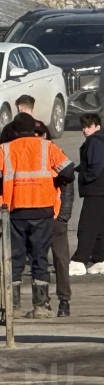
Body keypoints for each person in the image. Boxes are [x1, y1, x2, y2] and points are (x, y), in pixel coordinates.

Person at [0, 113, 75, 318]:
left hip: (15, 210)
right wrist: (54, 182)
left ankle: (12, 306)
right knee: (39, 258)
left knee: (15, 258)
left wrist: (3, 183)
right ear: (34, 128)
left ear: (15, 129)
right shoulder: (46, 147)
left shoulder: (6, 149)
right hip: (42, 210)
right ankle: (40, 306)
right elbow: (68, 171)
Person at [34, 124, 73, 317]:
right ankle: (43, 302)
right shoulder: (29, 157)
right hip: (37, 218)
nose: (37, 138)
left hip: (55, 218)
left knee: (60, 261)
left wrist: (64, 215)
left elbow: (67, 186)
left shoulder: (56, 154)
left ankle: (64, 301)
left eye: (40, 135)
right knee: (39, 261)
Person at [70, 113, 104, 277]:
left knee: (87, 225)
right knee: (99, 227)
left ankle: (79, 261)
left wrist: (86, 177)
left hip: (95, 189)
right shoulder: (101, 139)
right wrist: (79, 169)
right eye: (83, 126)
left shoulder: (95, 141)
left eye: (88, 126)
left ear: (97, 126)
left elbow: (96, 165)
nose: (85, 130)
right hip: (101, 190)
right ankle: (99, 259)